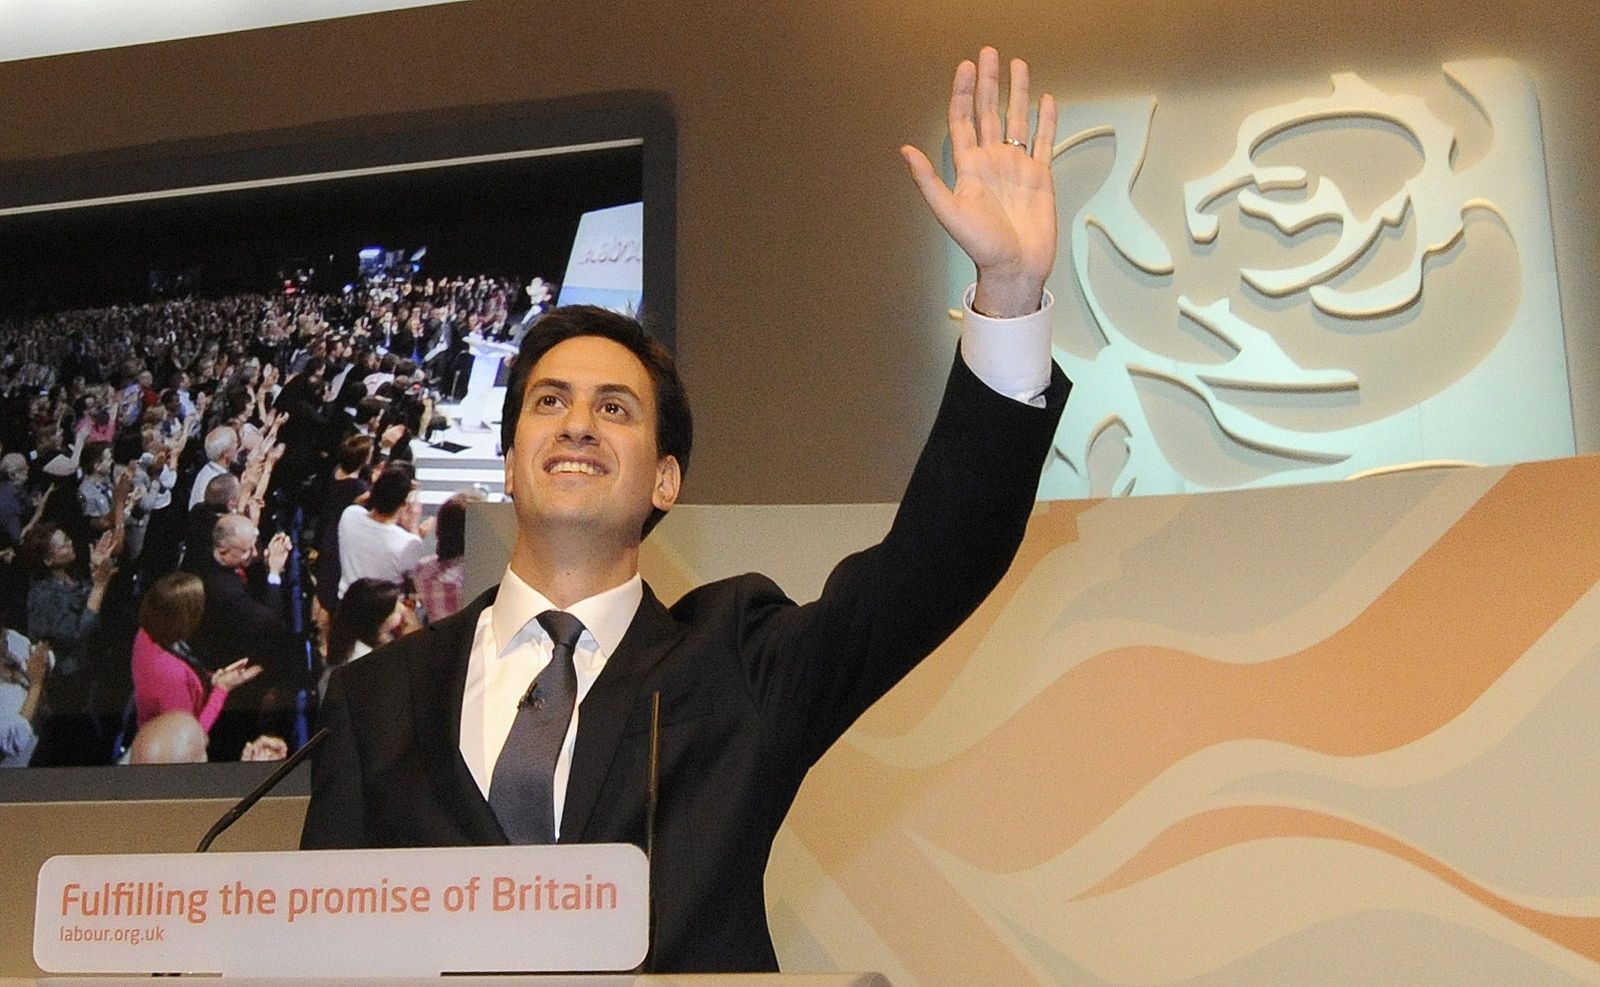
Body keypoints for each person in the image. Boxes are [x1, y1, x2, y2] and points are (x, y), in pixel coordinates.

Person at [301, 48, 1067, 974]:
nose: (577, 422)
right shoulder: (380, 697)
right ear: (508, 462)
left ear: (666, 479)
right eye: (549, 401)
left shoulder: (736, 661)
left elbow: (939, 558)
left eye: (614, 408)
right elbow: (317, 953)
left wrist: (1012, 293)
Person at [131, 571, 262, 733]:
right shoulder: (170, 673)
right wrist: (222, 689)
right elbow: (189, 738)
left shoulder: (149, 631)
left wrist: (212, 678)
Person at [334, 461, 429, 597]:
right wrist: (413, 526)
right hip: (384, 610)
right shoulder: (408, 542)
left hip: (346, 602)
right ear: (404, 504)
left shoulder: (349, 514)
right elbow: (417, 577)